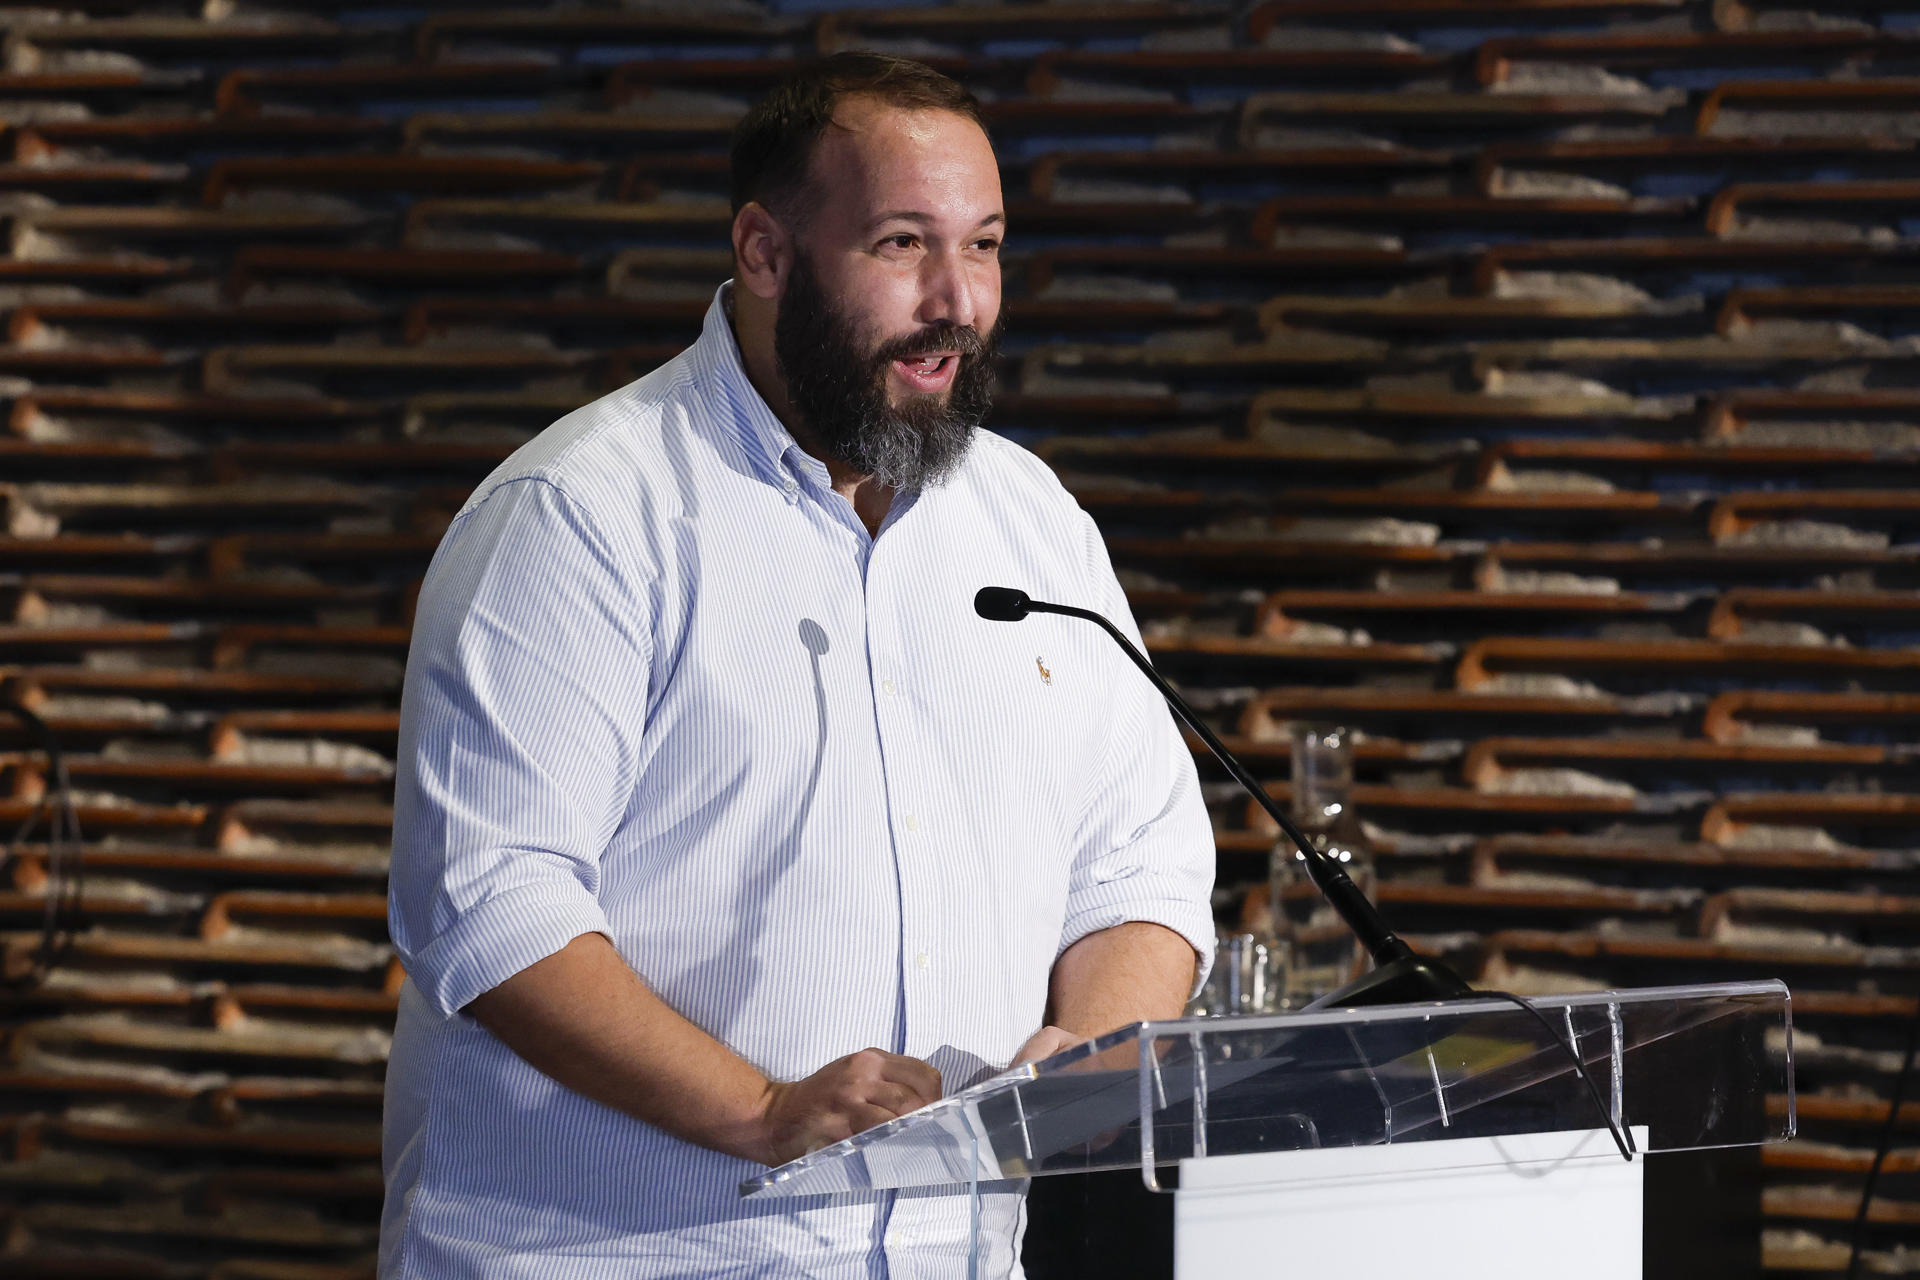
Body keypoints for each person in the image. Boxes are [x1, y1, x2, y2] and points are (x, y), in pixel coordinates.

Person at [379, 52, 1215, 1279]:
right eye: (900, 245)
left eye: (983, 246)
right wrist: (763, 1109)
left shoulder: (1035, 522)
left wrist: (1081, 1057)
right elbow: (489, 903)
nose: (958, 301)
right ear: (765, 253)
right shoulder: (584, 514)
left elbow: (1143, 865)